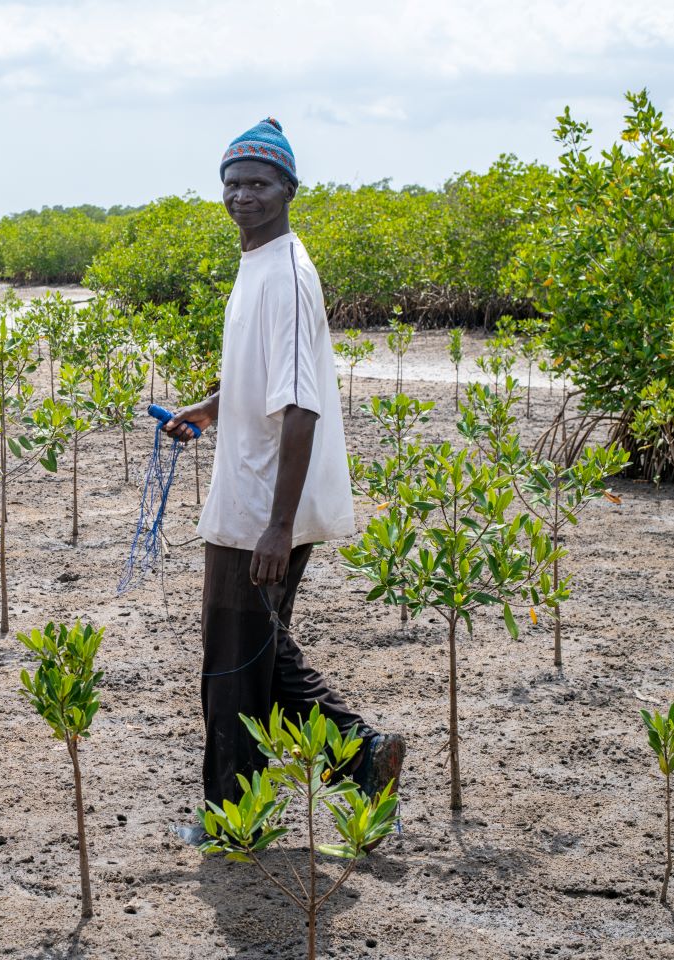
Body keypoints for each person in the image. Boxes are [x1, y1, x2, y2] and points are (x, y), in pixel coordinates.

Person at [167, 117, 404, 845]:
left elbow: (300, 408)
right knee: (257, 649)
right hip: (248, 492)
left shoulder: (290, 275)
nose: (244, 195)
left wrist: (277, 524)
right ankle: (362, 754)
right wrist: (209, 411)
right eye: (233, 182)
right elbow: (264, 382)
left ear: (289, 190)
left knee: (232, 662)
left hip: (264, 506)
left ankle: (234, 822)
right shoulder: (258, 264)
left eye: (259, 183)